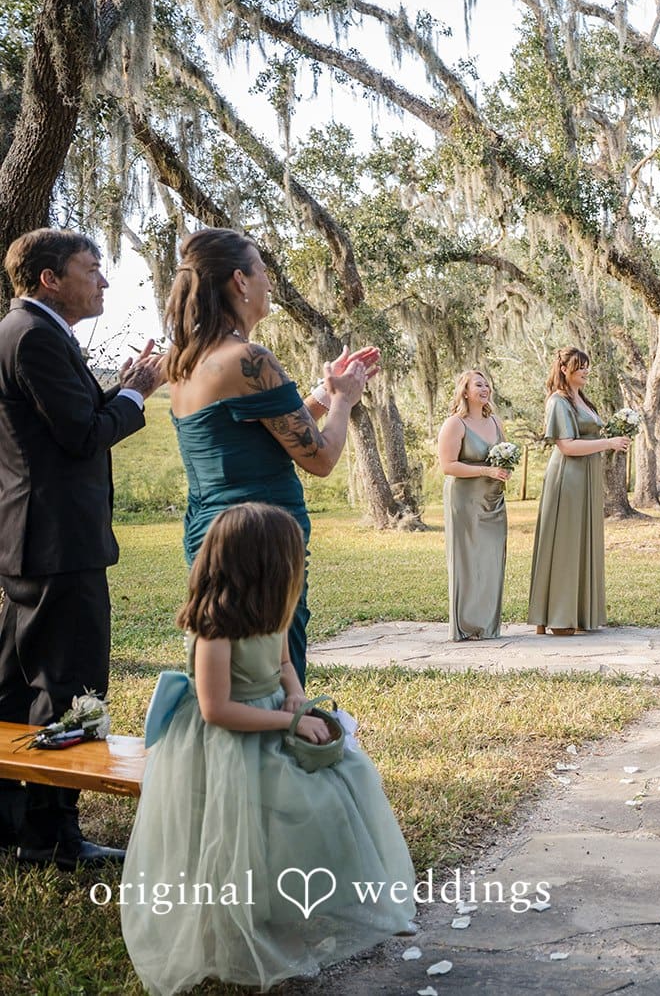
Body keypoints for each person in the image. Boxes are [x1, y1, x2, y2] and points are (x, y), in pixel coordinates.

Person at [121, 502, 415, 995]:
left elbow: (283, 667)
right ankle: (243, 921)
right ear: (262, 567)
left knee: (344, 784)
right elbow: (217, 710)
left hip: (277, 718)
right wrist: (288, 721)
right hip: (229, 744)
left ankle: (308, 901)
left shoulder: (271, 615)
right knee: (241, 832)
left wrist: (296, 697)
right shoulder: (214, 632)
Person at [0, 228, 165, 866]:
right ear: (49, 278)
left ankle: (16, 826)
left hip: (33, 538)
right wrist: (135, 395)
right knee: (67, 689)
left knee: (17, 688)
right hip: (59, 541)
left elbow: (64, 421)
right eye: (91, 269)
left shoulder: (22, 331)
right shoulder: (36, 335)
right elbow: (81, 438)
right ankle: (52, 839)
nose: (102, 281)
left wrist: (117, 387)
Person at [164, 228, 374, 686]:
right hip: (261, 540)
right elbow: (319, 457)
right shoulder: (249, 359)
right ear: (239, 281)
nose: (269, 282)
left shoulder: (185, 359)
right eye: (262, 269)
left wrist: (323, 393)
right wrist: (344, 401)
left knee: (228, 673)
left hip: (210, 534)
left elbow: (265, 426)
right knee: (273, 674)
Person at [528, 346, 628, 635]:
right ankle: (558, 616)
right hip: (568, 477)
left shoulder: (582, 399)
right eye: (579, 366)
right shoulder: (558, 402)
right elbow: (568, 445)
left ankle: (580, 612)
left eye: (587, 366)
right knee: (565, 543)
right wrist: (608, 443)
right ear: (564, 369)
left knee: (582, 541)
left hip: (587, 476)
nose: (586, 371)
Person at [438, 370, 509, 641]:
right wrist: (486, 472)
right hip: (464, 499)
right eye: (478, 384)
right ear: (465, 392)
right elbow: (448, 466)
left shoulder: (495, 421)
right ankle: (465, 626)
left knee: (491, 559)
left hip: (493, 499)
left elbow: (501, 457)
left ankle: (487, 625)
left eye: (487, 384)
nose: (484, 388)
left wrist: (503, 469)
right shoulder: (455, 424)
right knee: (466, 560)